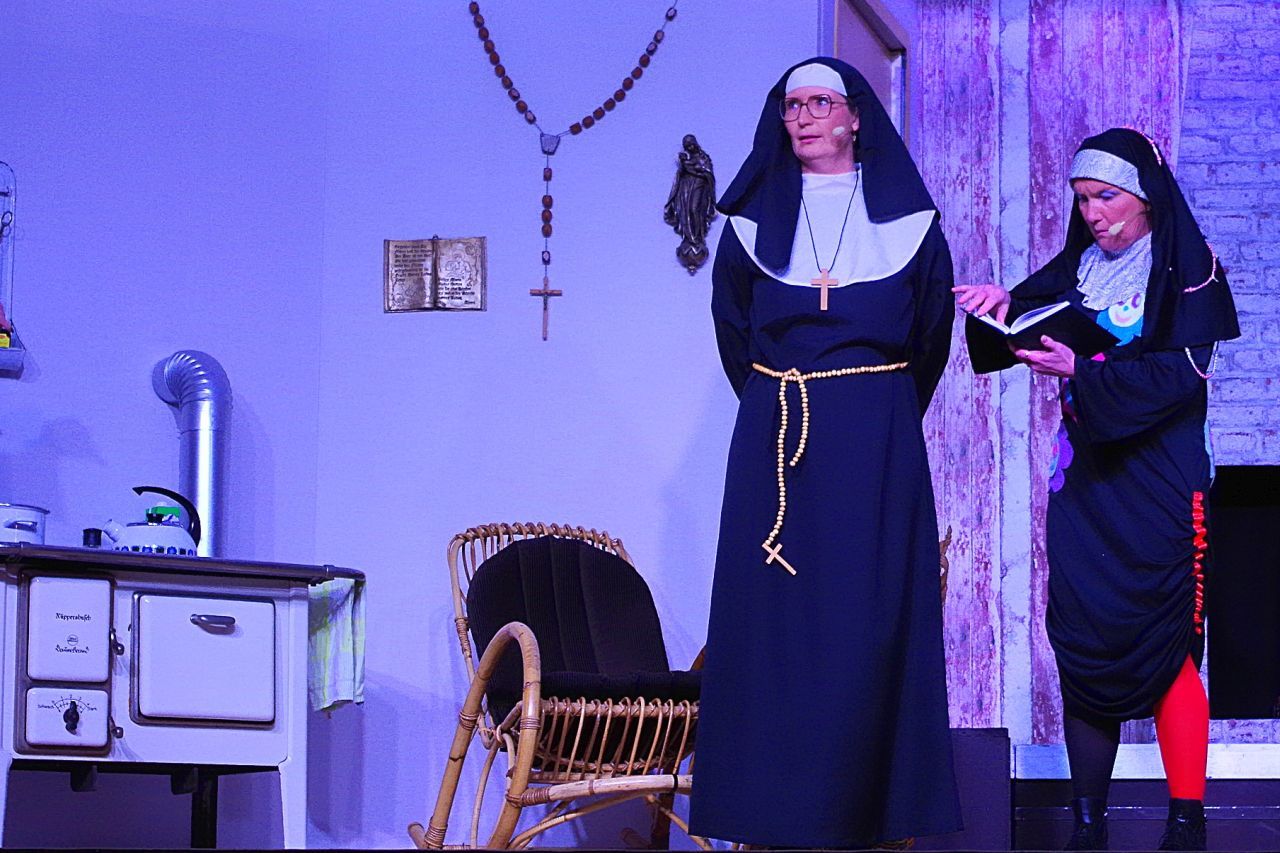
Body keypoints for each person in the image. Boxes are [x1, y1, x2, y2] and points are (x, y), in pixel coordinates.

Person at [688, 57, 961, 848]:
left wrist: (871, 410)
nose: (803, 117)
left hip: (876, 444)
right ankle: (769, 817)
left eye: (819, 103)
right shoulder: (748, 227)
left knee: (865, 625)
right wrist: (785, 398)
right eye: (792, 105)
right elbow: (734, 334)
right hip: (775, 439)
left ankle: (864, 815)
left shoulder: (913, 228)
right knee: (773, 629)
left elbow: (930, 337)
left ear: (855, 117)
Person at [957, 127, 1239, 851]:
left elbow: (1179, 380)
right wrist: (1000, 304)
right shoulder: (1080, 267)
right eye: (1083, 200)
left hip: (1162, 484)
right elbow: (1030, 322)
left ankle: (1186, 821)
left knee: (1172, 649)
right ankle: (1087, 824)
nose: (1093, 214)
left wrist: (1081, 372)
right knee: (1084, 647)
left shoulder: (1188, 271)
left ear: (1145, 197)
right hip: (1086, 488)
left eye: (1107, 198)